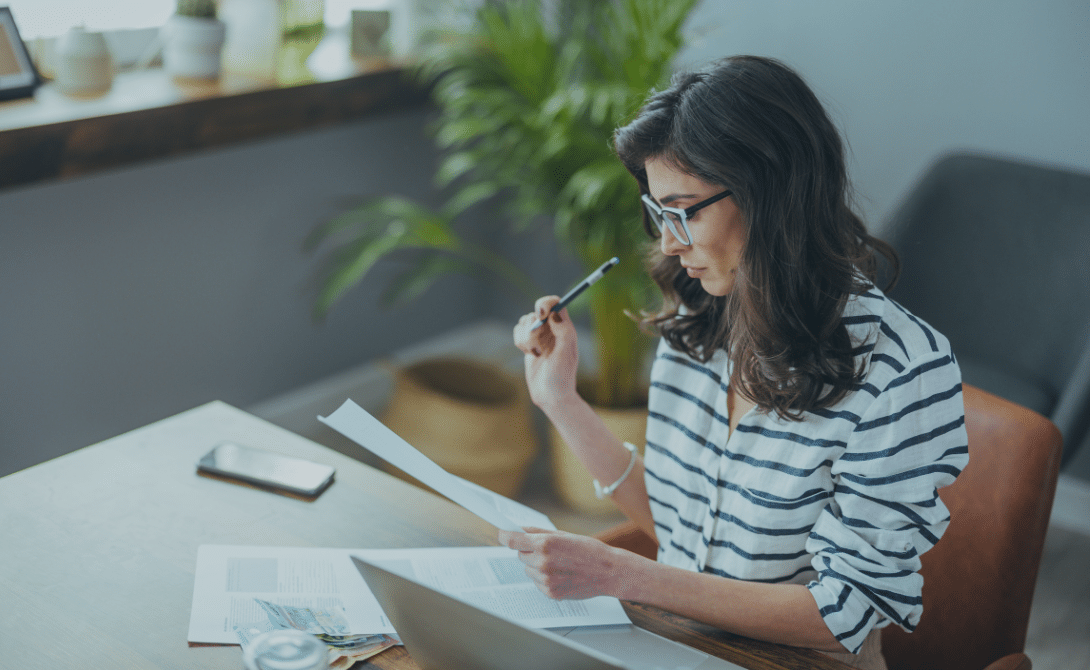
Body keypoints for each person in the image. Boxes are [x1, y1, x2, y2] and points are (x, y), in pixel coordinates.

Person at [502, 56, 968, 670]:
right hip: (678, 643)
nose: (668, 241)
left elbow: (843, 615)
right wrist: (559, 399)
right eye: (658, 212)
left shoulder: (902, 370)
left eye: (684, 211)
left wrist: (626, 575)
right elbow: (682, 528)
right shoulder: (698, 320)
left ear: (770, 192)